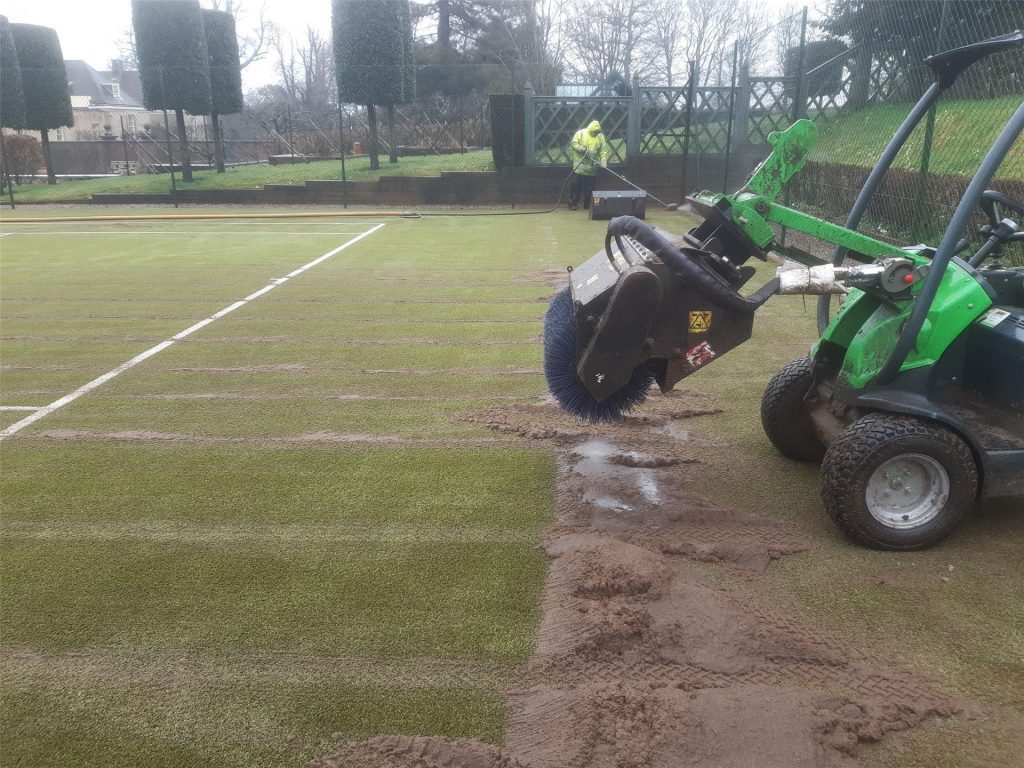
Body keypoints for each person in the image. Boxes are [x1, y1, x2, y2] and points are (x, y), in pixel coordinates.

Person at [568, 120, 610, 211]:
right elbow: (573, 144)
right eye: (593, 132)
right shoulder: (581, 134)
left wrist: (603, 161)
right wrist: (581, 148)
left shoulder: (600, 137)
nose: (595, 133)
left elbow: (604, 150)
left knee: (590, 189)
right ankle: (573, 204)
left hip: (592, 169)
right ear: (590, 129)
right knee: (576, 187)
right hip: (579, 167)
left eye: (596, 132)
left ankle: (588, 205)